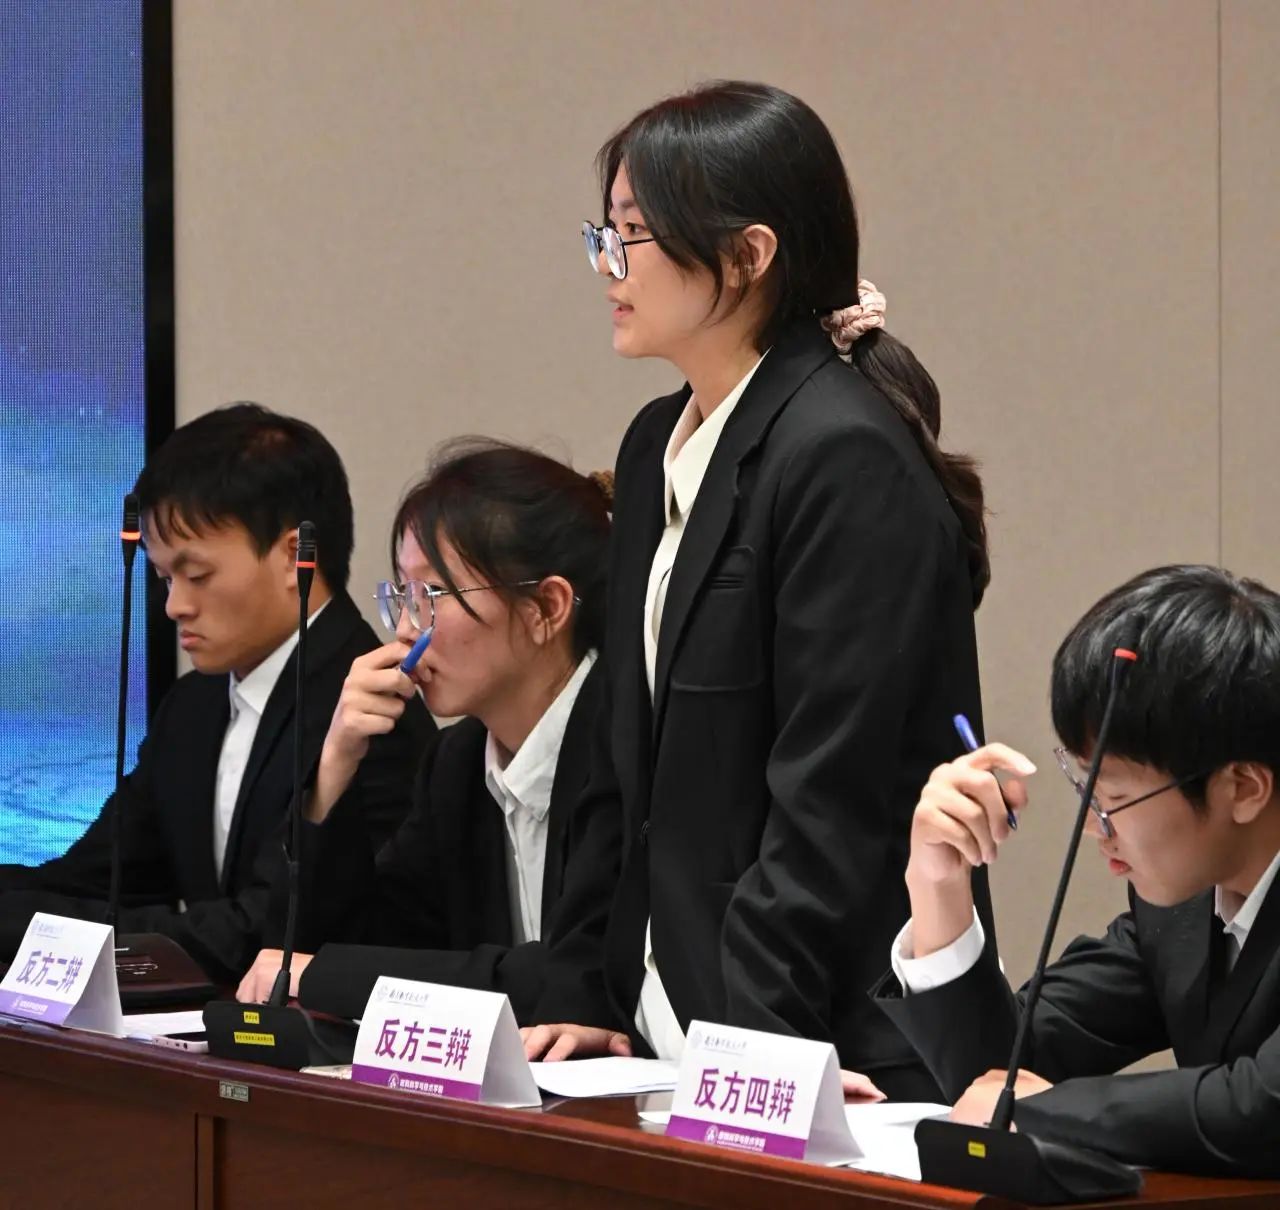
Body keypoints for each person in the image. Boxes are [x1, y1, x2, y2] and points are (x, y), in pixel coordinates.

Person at [524, 81, 991, 1099]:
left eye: (633, 235)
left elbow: (832, 792)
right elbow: (617, 749)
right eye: (604, 233)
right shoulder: (653, 442)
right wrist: (582, 982)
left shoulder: (841, 454)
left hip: (817, 1037)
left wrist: (762, 1049)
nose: (607, 265)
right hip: (665, 1023)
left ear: (747, 254)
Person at [0, 403, 431, 983]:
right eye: (163, 578)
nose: (175, 605)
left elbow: (264, 931)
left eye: (196, 575)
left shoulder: (371, 710)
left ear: (293, 557)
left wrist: (58, 932)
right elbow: (99, 877)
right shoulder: (193, 706)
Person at [874, 564, 1280, 1176]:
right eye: (1084, 788)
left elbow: (1261, 1107)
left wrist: (1042, 1113)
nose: (1093, 825)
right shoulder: (1180, 913)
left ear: (1243, 788)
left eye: (1113, 799)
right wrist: (938, 887)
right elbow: (997, 1075)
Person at [236, 441, 616, 1024]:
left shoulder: (626, 743)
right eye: (402, 596)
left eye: (433, 595)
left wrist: (332, 976)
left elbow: (579, 973)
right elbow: (352, 946)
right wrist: (333, 767)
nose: (407, 632)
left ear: (547, 607)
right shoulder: (457, 763)